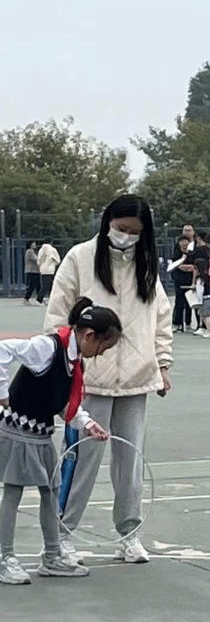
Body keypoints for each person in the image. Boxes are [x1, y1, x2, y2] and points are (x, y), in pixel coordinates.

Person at [43, 194, 173, 564]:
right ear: (107, 223)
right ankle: (61, 536)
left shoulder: (146, 265)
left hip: (136, 377)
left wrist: (162, 365)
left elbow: (160, 317)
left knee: (130, 462)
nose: (126, 236)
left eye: (134, 231)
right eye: (120, 228)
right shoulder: (80, 258)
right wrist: (63, 364)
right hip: (88, 378)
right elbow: (58, 314)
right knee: (80, 459)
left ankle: (129, 534)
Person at [0, 298, 119, 584]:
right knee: (13, 492)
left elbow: (63, 402)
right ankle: (4, 557)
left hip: (41, 434)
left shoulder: (73, 360)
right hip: (17, 431)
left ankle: (52, 556)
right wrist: (2, 391)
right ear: (89, 336)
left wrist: (87, 423)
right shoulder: (48, 347)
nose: (101, 354)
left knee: (51, 492)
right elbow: (3, 349)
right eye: (102, 347)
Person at [167, 234, 195, 333]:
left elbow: (194, 267)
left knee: (189, 302)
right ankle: (177, 323)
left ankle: (188, 323)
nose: (184, 244)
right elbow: (178, 266)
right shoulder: (176, 255)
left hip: (189, 280)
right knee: (179, 302)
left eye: (186, 242)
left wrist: (187, 267)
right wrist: (187, 267)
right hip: (179, 280)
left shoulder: (192, 254)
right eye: (182, 242)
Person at [23, 241, 42, 305]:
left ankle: (39, 298)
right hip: (32, 271)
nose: (35, 245)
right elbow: (36, 259)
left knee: (38, 285)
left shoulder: (31, 251)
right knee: (32, 285)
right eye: (33, 244)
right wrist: (41, 257)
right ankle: (26, 298)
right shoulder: (30, 251)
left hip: (34, 271)